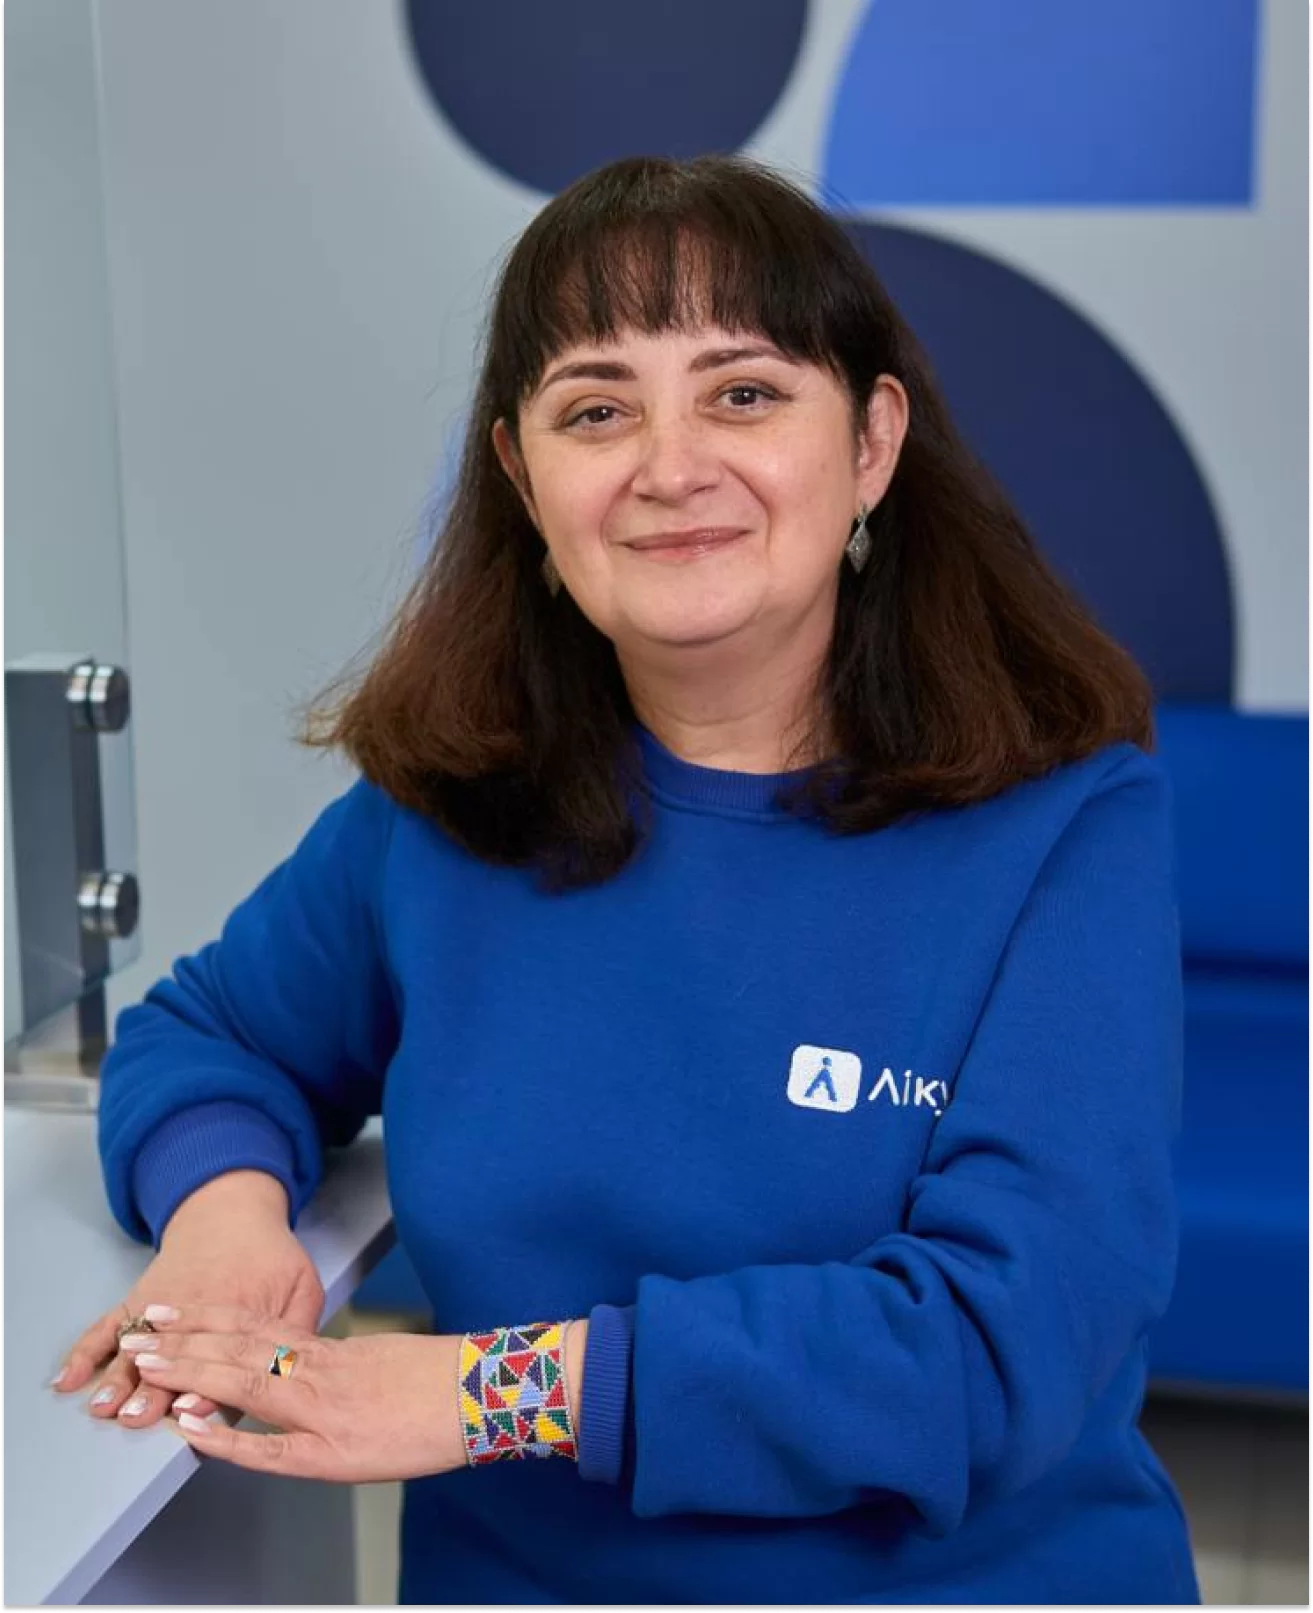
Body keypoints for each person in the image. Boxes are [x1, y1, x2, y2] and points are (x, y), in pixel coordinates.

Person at [53, 153, 1199, 1606]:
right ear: (524, 479)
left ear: (872, 443)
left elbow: (992, 1348)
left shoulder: (1067, 822)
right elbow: (212, 1035)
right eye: (598, 410)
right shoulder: (448, 808)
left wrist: (485, 1393)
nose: (670, 466)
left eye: (744, 394)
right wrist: (224, 1224)